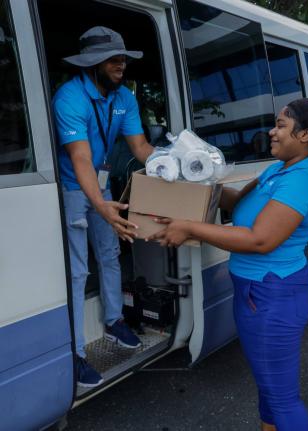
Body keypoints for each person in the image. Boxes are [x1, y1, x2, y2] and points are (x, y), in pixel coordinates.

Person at [147, 98, 308, 431]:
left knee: (282, 397)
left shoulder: (300, 181)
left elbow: (259, 239)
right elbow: (238, 203)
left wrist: (190, 228)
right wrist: (201, 178)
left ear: (305, 135)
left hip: (272, 296)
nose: (271, 131)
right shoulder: (279, 169)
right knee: (268, 386)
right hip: (257, 291)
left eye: (281, 125)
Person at [53, 26, 154, 387]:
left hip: (103, 184)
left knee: (110, 254)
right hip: (72, 189)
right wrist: (103, 207)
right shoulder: (69, 98)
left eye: (123, 58)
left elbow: (141, 149)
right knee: (78, 271)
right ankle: (75, 354)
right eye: (113, 59)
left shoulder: (124, 97)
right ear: (91, 63)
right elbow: (80, 159)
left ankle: (114, 321)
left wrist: (182, 165)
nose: (121, 64)